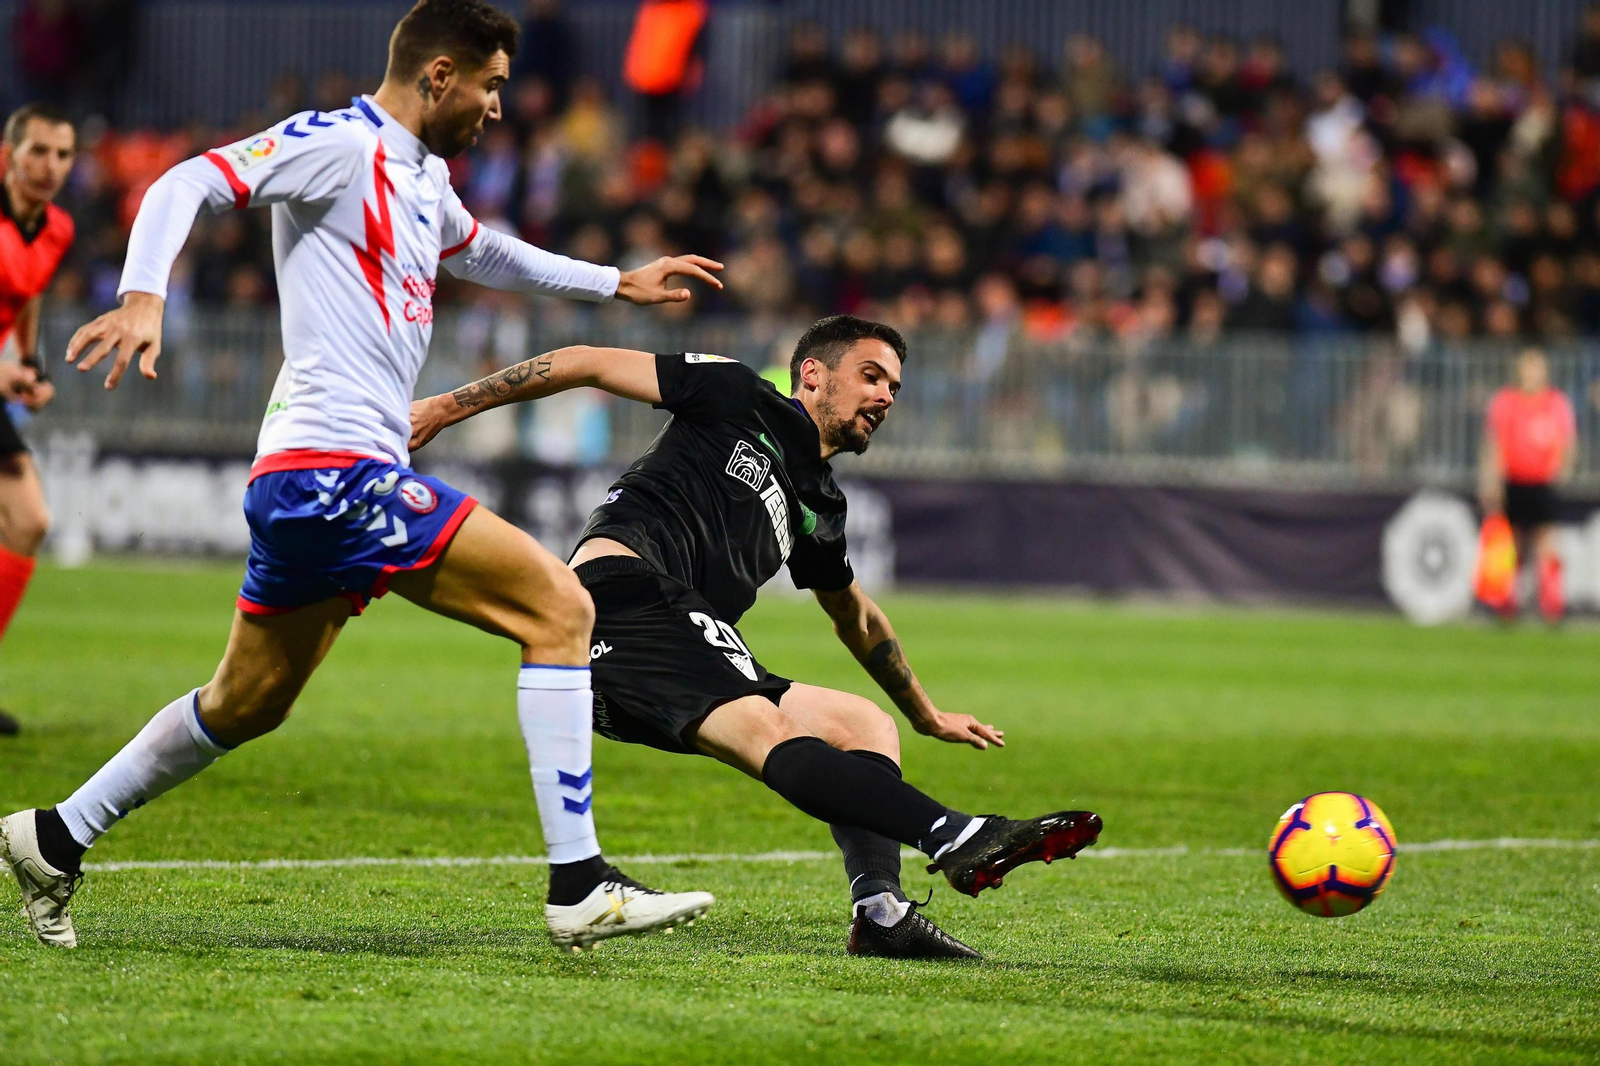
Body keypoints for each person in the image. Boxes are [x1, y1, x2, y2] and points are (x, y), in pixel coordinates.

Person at [0, 0, 725, 953]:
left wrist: (614, 282)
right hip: (329, 467)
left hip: (319, 478)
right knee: (561, 608)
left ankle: (53, 836)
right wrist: (144, 296)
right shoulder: (339, 143)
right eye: (490, 85)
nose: (498, 107)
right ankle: (580, 883)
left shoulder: (423, 175)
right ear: (439, 75)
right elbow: (188, 180)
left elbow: (484, 249)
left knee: (246, 703)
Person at [411, 314, 1104, 960]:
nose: (885, 396)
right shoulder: (735, 393)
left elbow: (857, 617)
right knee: (766, 730)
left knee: (862, 724)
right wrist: (443, 407)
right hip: (620, 600)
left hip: (680, 639)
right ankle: (956, 833)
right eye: (870, 375)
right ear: (813, 375)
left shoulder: (821, 503)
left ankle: (882, 913)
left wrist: (924, 714)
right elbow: (586, 361)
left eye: (894, 386)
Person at [0, 103, 75, 737]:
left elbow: (28, 291)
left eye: (63, 154)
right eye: (38, 152)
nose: (51, 166)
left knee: (30, 521)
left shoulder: (56, 229)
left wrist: (28, 363)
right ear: (9, 156)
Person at [1479, 348, 1577, 622]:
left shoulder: (1556, 402)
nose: (1531, 374)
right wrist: (1490, 480)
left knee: (1546, 543)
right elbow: (1494, 443)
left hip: (1543, 482)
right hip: (1513, 481)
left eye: (1536, 368)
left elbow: (1568, 441)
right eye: (1527, 367)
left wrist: (1563, 470)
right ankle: (1507, 601)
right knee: (1512, 544)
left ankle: (1551, 602)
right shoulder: (1505, 401)